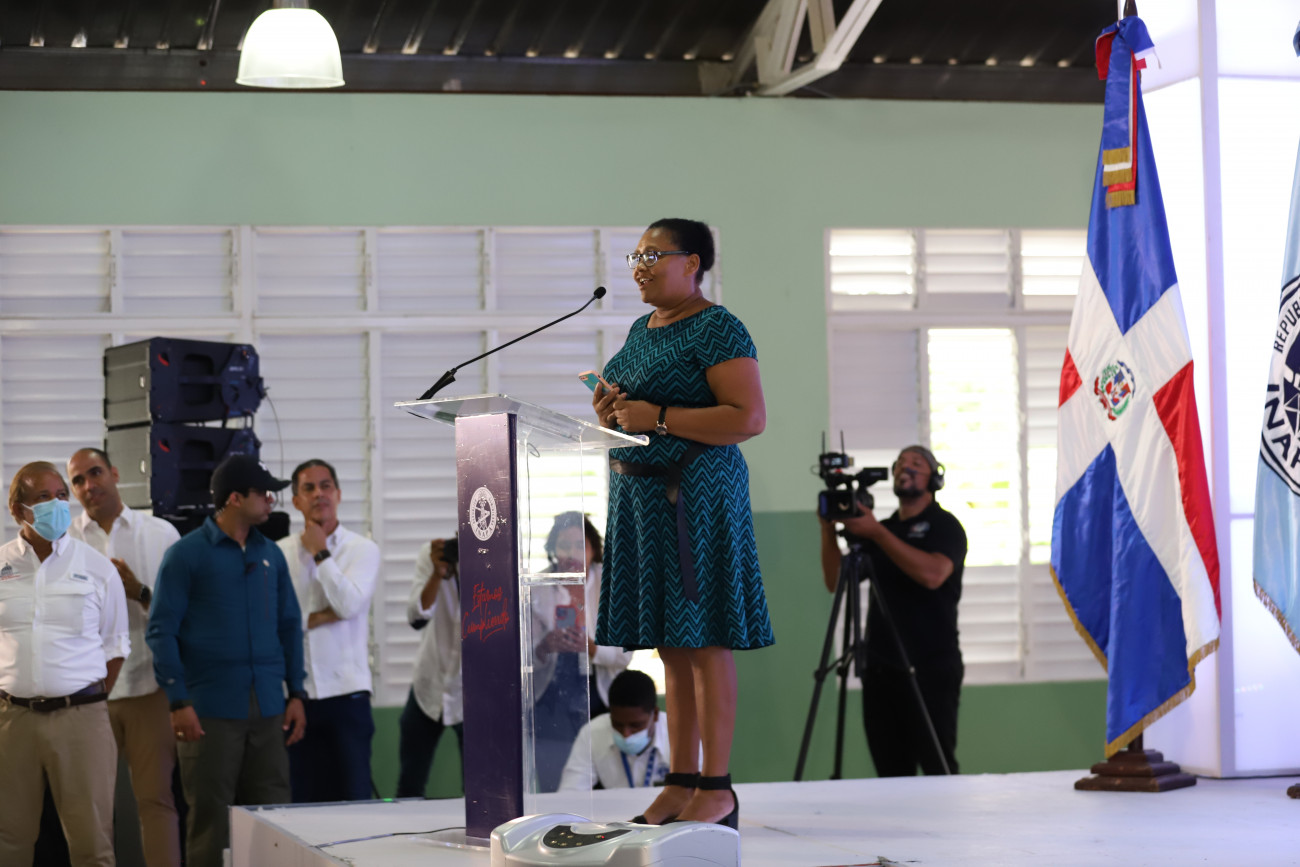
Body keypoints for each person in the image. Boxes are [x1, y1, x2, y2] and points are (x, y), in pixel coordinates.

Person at [593, 217, 773, 828]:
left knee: (705, 638)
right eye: (635, 256)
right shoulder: (640, 329)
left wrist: (660, 416)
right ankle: (682, 780)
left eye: (653, 255)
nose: (639, 266)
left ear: (692, 263)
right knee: (672, 645)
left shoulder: (718, 326)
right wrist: (613, 413)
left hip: (695, 494)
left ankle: (717, 788)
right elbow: (639, 412)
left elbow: (748, 417)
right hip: (642, 497)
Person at [146, 455, 306, 867]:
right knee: (210, 821)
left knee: (276, 816)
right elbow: (161, 631)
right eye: (263, 493)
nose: (271, 500)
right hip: (209, 710)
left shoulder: (271, 555)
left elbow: (290, 625)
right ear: (234, 498)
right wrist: (178, 701)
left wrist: (296, 692)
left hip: (269, 707)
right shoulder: (186, 555)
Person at [0, 462, 130, 866]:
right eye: (43, 497)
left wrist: (86, 699)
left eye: (60, 495)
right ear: (18, 510)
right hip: (11, 721)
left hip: (81, 720)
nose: (57, 505)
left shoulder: (96, 567)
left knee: (92, 843)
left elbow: (115, 646)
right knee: (9, 841)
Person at [818, 445, 967, 777]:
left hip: (931, 667)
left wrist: (877, 533)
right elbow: (835, 580)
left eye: (916, 463)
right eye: (900, 463)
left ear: (934, 479)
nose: (906, 468)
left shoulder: (945, 526)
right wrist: (827, 530)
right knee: (890, 773)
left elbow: (933, 575)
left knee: (938, 767)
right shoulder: (883, 529)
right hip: (881, 668)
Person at [66, 447, 183, 866]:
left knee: (156, 800)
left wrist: (138, 591)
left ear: (115, 473)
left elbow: (182, 615)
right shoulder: (64, 543)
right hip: (87, 692)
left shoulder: (160, 534)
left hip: (148, 685)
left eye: (95, 473)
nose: (88, 485)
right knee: (88, 808)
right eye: (78, 480)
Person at [278, 459, 380, 803]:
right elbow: (277, 623)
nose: (319, 494)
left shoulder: (362, 549)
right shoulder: (279, 553)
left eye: (326, 486)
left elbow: (348, 606)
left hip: (347, 693)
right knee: (301, 801)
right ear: (296, 501)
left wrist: (321, 553)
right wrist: (323, 615)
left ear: (338, 494)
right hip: (297, 696)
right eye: (309, 488)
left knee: (354, 799)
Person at [530, 512, 633, 792]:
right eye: (564, 545)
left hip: (600, 694)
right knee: (555, 784)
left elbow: (626, 654)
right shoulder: (536, 588)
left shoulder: (612, 583)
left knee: (604, 782)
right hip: (551, 700)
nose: (571, 554)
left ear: (593, 549)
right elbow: (519, 656)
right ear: (553, 549)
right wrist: (544, 647)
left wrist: (592, 648)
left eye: (579, 546)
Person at [396, 537, 463, 798]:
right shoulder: (434, 554)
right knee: (410, 785)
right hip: (430, 681)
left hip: (474, 691)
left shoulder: (496, 561)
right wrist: (437, 574)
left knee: (480, 788)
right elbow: (416, 617)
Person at [559, 669, 670, 792]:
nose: (626, 734)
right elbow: (570, 793)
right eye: (617, 724)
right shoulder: (593, 733)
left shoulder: (676, 736)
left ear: (655, 715)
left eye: (636, 725)